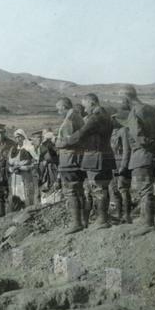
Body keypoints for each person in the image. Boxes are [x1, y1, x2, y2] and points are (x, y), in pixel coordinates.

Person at [57, 93, 115, 229]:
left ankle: (102, 220)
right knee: (102, 188)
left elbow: (80, 134)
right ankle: (102, 219)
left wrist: (63, 142)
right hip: (106, 156)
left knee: (98, 189)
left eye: (85, 106)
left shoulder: (95, 118)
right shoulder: (107, 116)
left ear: (92, 103)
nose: (85, 110)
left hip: (95, 157)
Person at [122, 85, 155, 233]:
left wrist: (148, 145)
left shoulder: (134, 113)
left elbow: (139, 138)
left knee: (144, 190)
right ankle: (148, 220)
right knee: (148, 189)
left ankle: (148, 224)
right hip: (154, 156)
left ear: (127, 98)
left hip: (141, 156)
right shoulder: (150, 109)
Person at [54, 97, 85, 234]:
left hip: (69, 160)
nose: (58, 111)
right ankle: (83, 221)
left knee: (71, 191)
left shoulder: (69, 120)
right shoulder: (78, 117)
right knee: (79, 191)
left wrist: (56, 143)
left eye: (58, 108)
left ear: (64, 107)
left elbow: (68, 141)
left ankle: (76, 223)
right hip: (77, 159)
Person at [109, 111, 132, 223]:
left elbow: (127, 150)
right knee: (114, 191)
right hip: (112, 165)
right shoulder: (109, 133)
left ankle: (127, 215)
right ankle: (118, 215)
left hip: (122, 164)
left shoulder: (124, 131)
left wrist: (124, 165)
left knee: (123, 189)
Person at [8, 129, 37, 208]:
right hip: (15, 177)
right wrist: (12, 169)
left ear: (23, 137)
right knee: (17, 196)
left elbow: (35, 161)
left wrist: (24, 167)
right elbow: (9, 163)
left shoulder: (29, 148)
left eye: (20, 137)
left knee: (27, 195)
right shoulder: (13, 149)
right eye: (16, 137)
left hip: (26, 176)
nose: (18, 139)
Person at [0, 124, 16, 218]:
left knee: (11, 195)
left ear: (5, 132)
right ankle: (2, 219)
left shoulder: (12, 144)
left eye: (2, 132)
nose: (0, 135)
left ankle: (11, 217)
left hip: (9, 173)